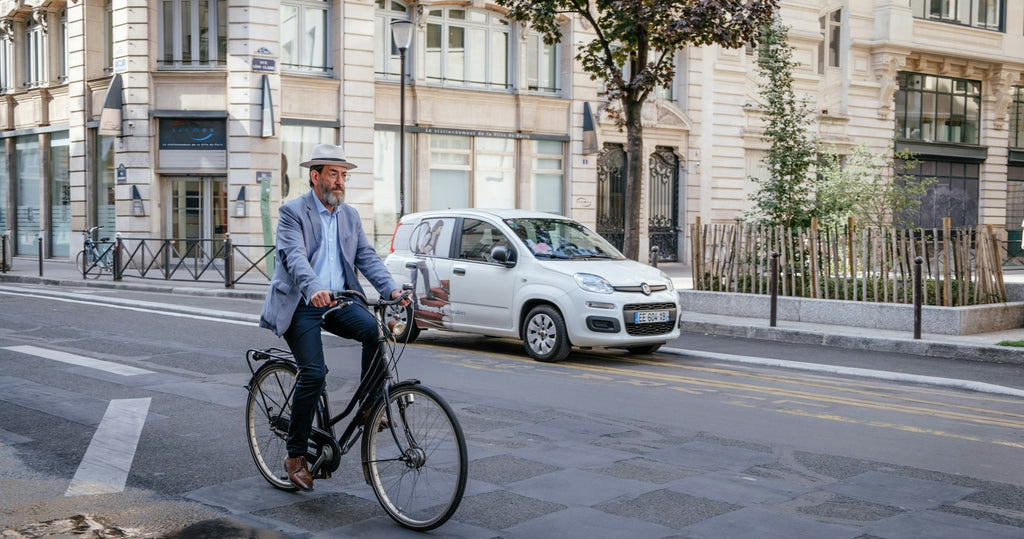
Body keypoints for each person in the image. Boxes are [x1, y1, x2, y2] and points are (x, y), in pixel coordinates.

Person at [259, 143, 408, 492]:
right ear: (315, 177)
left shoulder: (350, 216)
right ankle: (295, 456)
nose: (340, 182)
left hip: (338, 300)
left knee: (375, 331)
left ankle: (371, 406)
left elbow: (367, 258)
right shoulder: (292, 212)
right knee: (314, 373)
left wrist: (392, 290)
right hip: (301, 302)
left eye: (344, 175)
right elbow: (294, 257)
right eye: (333, 174)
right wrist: (312, 287)